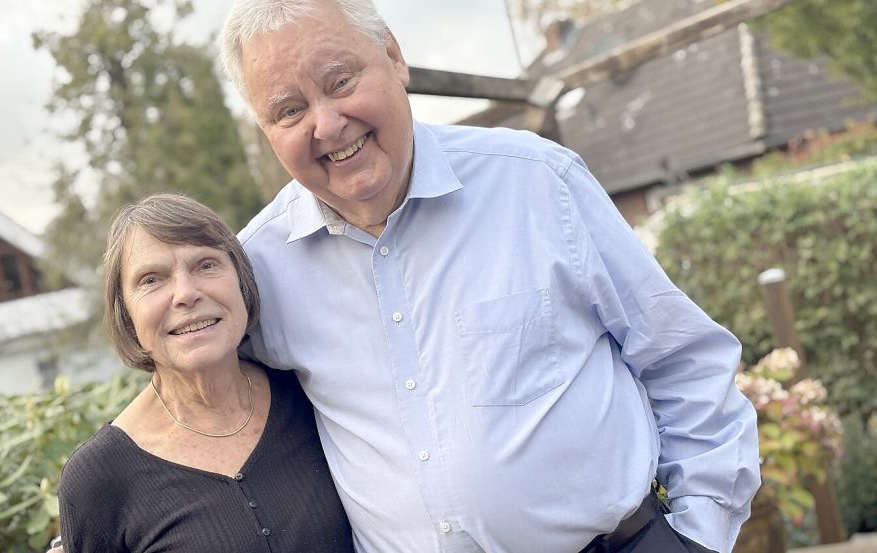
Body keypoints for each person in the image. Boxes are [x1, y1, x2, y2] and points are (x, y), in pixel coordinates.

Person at [221, 1, 760, 552]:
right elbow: (199, 408)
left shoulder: (538, 183)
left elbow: (683, 362)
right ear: (263, 128)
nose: (328, 124)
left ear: (393, 57)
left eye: (340, 81)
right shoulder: (257, 270)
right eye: (289, 111)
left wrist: (697, 534)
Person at [54, 194, 353, 552]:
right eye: (151, 279)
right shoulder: (99, 479)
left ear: (241, 283)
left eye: (206, 265)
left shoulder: (310, 394)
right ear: (126, 314)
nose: (185, 293)